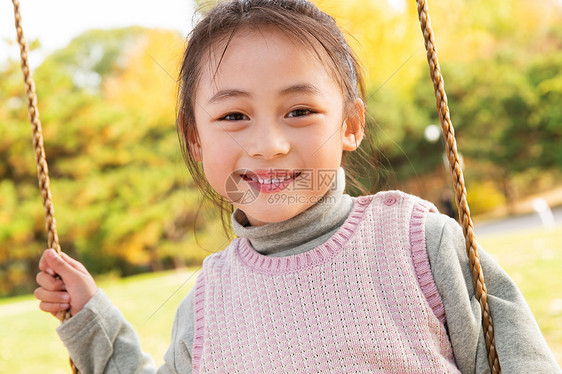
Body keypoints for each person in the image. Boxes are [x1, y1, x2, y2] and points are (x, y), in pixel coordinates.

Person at [34, 0, 560, 373]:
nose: (269, 144)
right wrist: (90, 318)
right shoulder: (207, 306)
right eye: (235, 114)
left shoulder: (419, 245)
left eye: (300, 111)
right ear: (194, 138)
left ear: (351, 124)